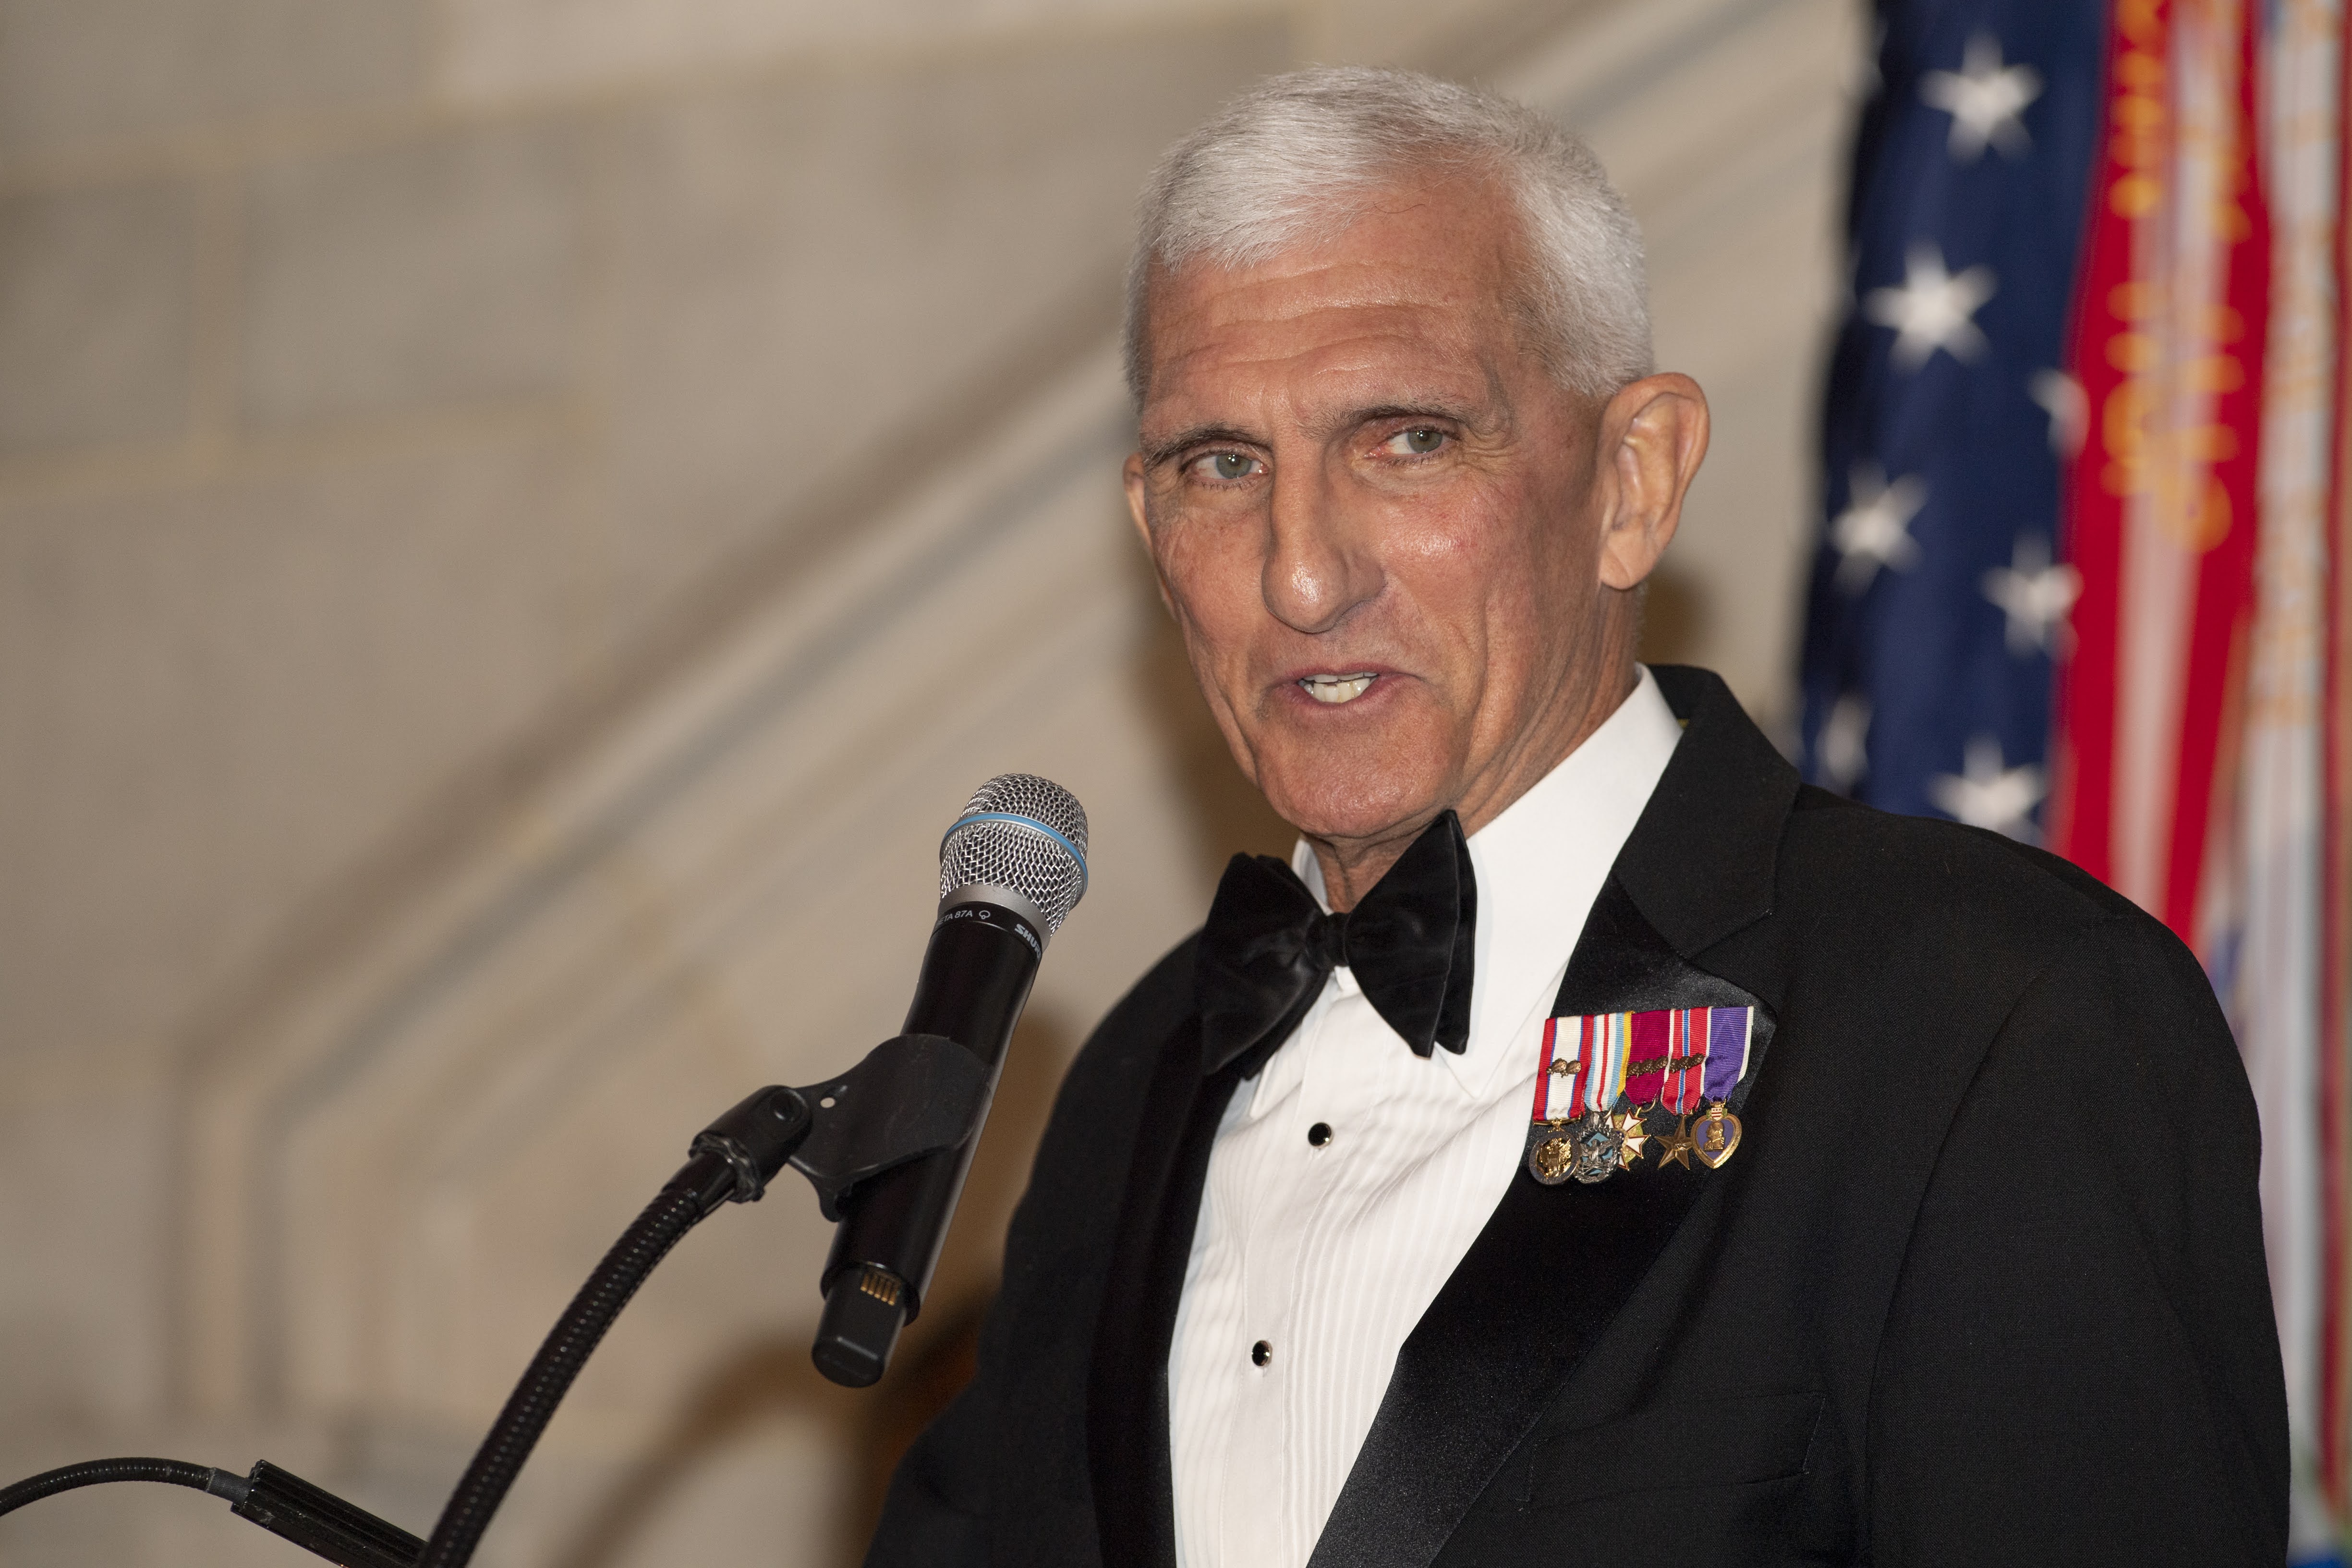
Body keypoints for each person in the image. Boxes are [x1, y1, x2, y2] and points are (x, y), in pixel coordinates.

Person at [864, 66, 2287, 1568]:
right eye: (1222, 464)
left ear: (1633, 479)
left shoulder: (1995, 1017)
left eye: (1406, 438)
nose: (1297, 573)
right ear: (1153, 533)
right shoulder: (1140, 1069)